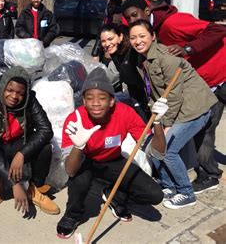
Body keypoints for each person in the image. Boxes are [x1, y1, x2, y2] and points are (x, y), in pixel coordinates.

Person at [123, 0, 226, 193]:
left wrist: (187, 48)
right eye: (130, 20)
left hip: (221, 70)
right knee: (206, 129)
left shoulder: (172, 23)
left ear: (147, 11)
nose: (134, 22)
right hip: (207, 83)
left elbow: (218, 29)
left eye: (136, 15)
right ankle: (208, 174)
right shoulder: (145, 37)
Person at [56, 68, 167, 239]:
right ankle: (73, 214)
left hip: (113, 159)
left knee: (154, 194)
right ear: (83, 101)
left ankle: (114, 195)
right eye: (90, 98)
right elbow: (70, 170)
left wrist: (158, 123)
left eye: (102, 98)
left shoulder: (125, 112)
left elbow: (157, 152)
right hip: (85, 160)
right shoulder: (74, 120)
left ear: (112, 101)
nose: (96, 103)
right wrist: (78, 146)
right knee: (79, 181)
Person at [0, 66, 60, 215]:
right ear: (3, 87)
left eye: (20, 93)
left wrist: (22, 154)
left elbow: (46, 130)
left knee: (45, 148)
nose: (14, 96)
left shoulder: (30, 100)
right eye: (10, 90)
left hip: (19, 144)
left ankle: (34, 189)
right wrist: (14, 183)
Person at [98, 23, 150, 121]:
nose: (107, 44)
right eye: (103, 41)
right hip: (134, 92)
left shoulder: (133, 51)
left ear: (120, 37)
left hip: (149, 94)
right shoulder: (115, 52)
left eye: (110, 39)